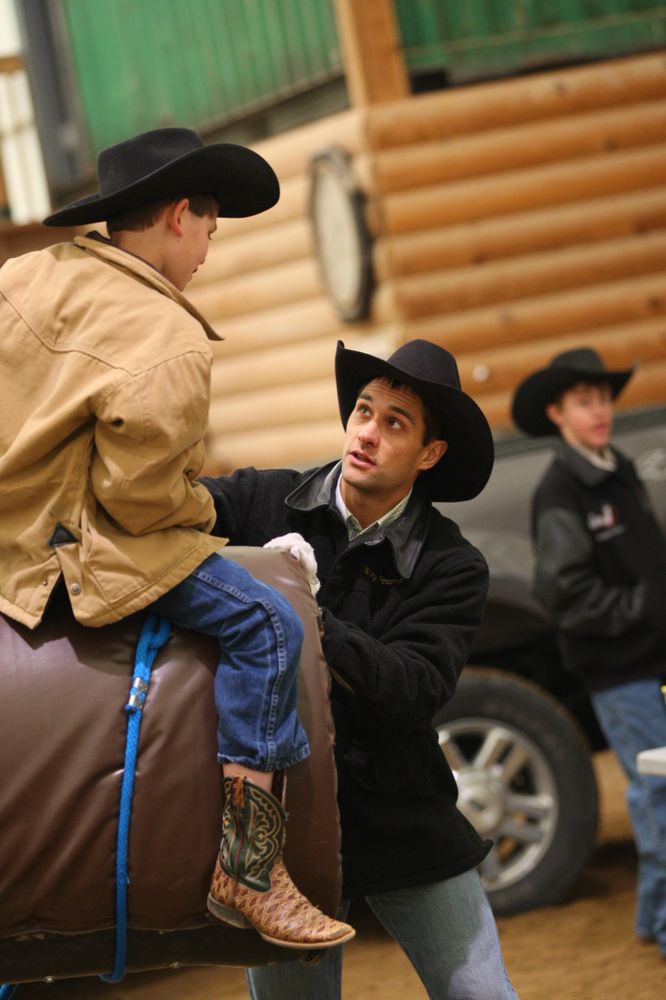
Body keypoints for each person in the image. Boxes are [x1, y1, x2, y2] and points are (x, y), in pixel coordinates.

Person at [0, 127, 354, 950]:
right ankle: (249, 870)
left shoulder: (26, 274)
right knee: (266, 624)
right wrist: (206, 518)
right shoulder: (167, 339)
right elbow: (141, 503)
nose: (206, 253)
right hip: (72, 553)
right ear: (174, 217)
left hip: (9, 531)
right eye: (209, 230)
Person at [202, 339, 520, 999]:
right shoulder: (262, 502)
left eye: (394, 423)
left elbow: (413, 690)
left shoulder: (451, 566)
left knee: (482, 995)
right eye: (364, 412)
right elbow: (167, 511)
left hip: (403, 821)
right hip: (284, 833)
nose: (368, 433)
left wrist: (307, 610)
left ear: (430, 454)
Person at [511, 347, 666, 959]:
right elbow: (564, 593)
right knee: (655, 790)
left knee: (660, 785)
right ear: (557, 412)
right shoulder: (562, 490)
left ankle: (654, 916)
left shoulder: (618, 467)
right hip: (618, 672)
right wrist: (640, 611)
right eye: (584, 401)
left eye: (602, 398)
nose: (599, 410)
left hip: (654, 661)